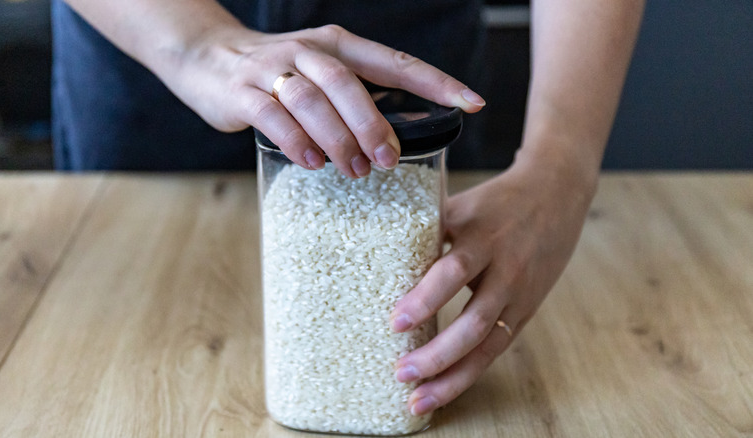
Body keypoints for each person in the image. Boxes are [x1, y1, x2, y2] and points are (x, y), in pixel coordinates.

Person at [53, 0, 644, 417]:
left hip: (403, 37)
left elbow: (551, 174)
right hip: (154, 32)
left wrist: (560, 166)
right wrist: (199, 45)